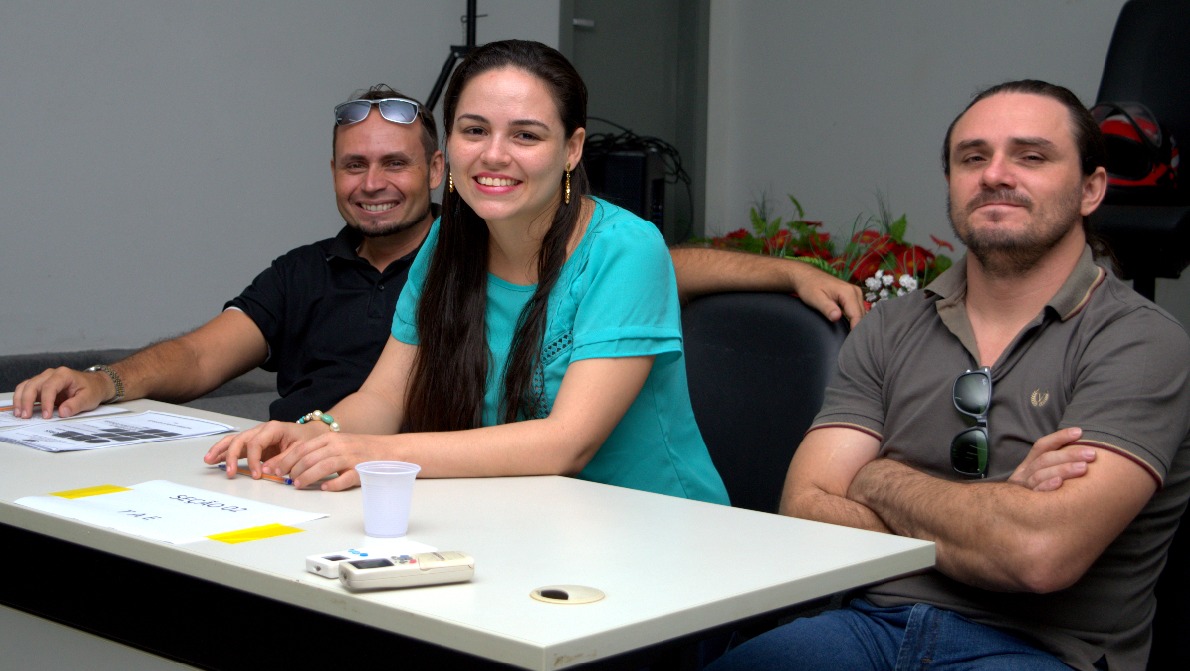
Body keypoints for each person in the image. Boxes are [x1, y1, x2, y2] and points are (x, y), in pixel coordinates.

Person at [10, 87, 864, 423]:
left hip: (429, 481)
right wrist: (107, 379)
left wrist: (784, 270)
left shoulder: (490, 249)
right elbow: (202, 354)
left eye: (395, 163)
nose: (373, 182)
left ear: (435, 172)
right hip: (317, 469)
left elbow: (637, 266)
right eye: (354, 165)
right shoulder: (305, 271)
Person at [706, 80, 1190, 671]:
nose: (995, 175)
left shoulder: (1140, 340)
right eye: (973, 158)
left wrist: (878, 479)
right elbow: (806, 510)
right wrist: (1002, 509)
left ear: (1091, 189)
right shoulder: (889, 327)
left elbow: (1038, 553)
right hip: (865, 628)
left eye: (1031, 156)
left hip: (1039, 650)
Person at [203, 39, 730, 502]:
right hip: (523, 519)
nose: (493, 155)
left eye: (526, 136)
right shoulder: (447, 242)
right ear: (449, 146)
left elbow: (566, 443)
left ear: (571, 150)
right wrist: (318, 432)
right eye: (474, 130)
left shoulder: (625, 248)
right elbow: (384, 397)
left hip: (656, 529)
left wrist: (376, 453)